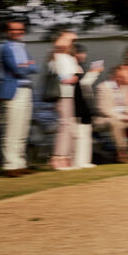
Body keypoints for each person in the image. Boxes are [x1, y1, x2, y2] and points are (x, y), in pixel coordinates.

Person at [0, 20, 37, 177]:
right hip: (14, 92)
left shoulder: (23, 48)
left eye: (20, 29)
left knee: (22, 130)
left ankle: (20, 163)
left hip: (26, 90)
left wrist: (26, 66)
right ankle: (10, 165)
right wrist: (27, 66)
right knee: (13, 129)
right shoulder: (5, 48)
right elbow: (16, 69)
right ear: (8, 31)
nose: (17, 32)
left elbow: (35, 67)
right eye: (14, 29)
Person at [49, 32, 81, 170]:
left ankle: (66, 158)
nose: (70, 44)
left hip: (70, 94)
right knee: (65, 126)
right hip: (62, 95)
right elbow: (61, 77)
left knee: (69, 126)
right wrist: (70, 78)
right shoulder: (57, 57)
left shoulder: (69, 58)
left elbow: (76, 74)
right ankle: (58, 158)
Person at [71, 43, 101, 169]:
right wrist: (94, 73)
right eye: (80, 52)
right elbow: (83, 85)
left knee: (85, 134)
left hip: (85, 105)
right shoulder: (74, 67)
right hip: (78, 105)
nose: (83, 55)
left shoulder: (80, 67)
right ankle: (79, 162)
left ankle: (84, 161)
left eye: (83, 52)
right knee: (80, 134)